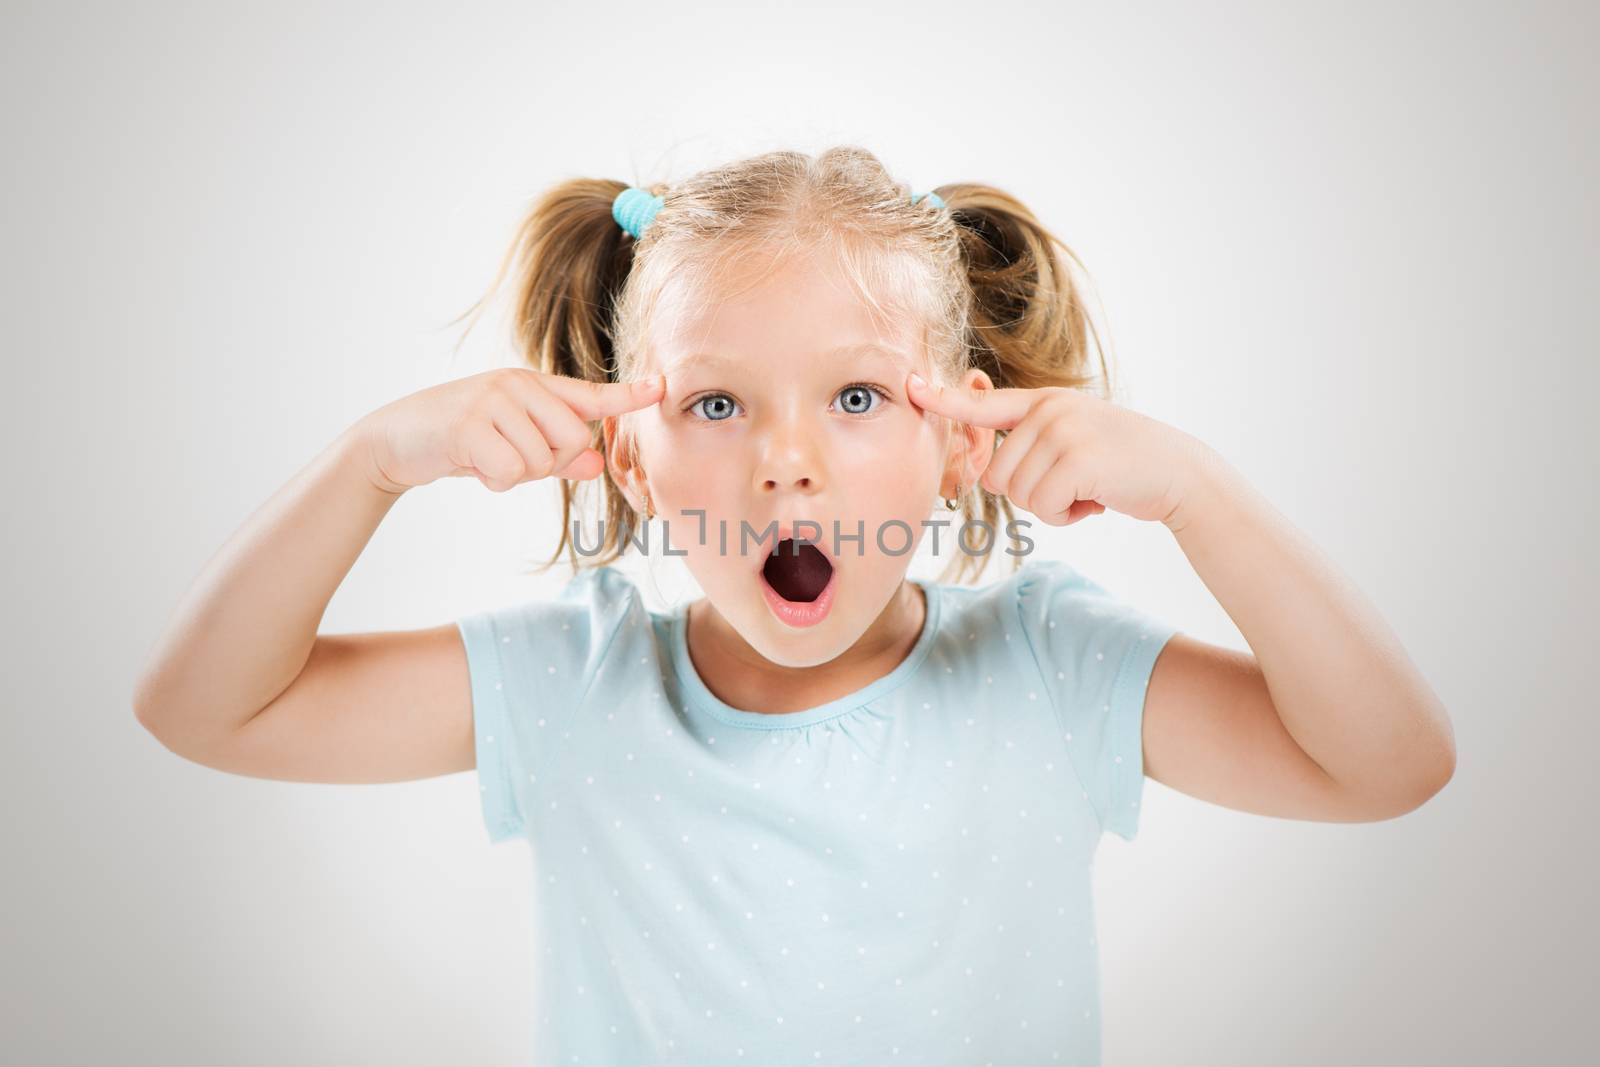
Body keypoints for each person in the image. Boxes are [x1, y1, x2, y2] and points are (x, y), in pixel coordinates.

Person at [133, 146, 1457, 1064]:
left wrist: (1200, 493)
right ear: (630, 462)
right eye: (715, 403)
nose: (787, 459)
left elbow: (1388, 763)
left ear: (963, 439)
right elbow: (205, 709)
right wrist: (372, 462)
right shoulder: (572, 687)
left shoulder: (1052, 671)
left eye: (859, 395)